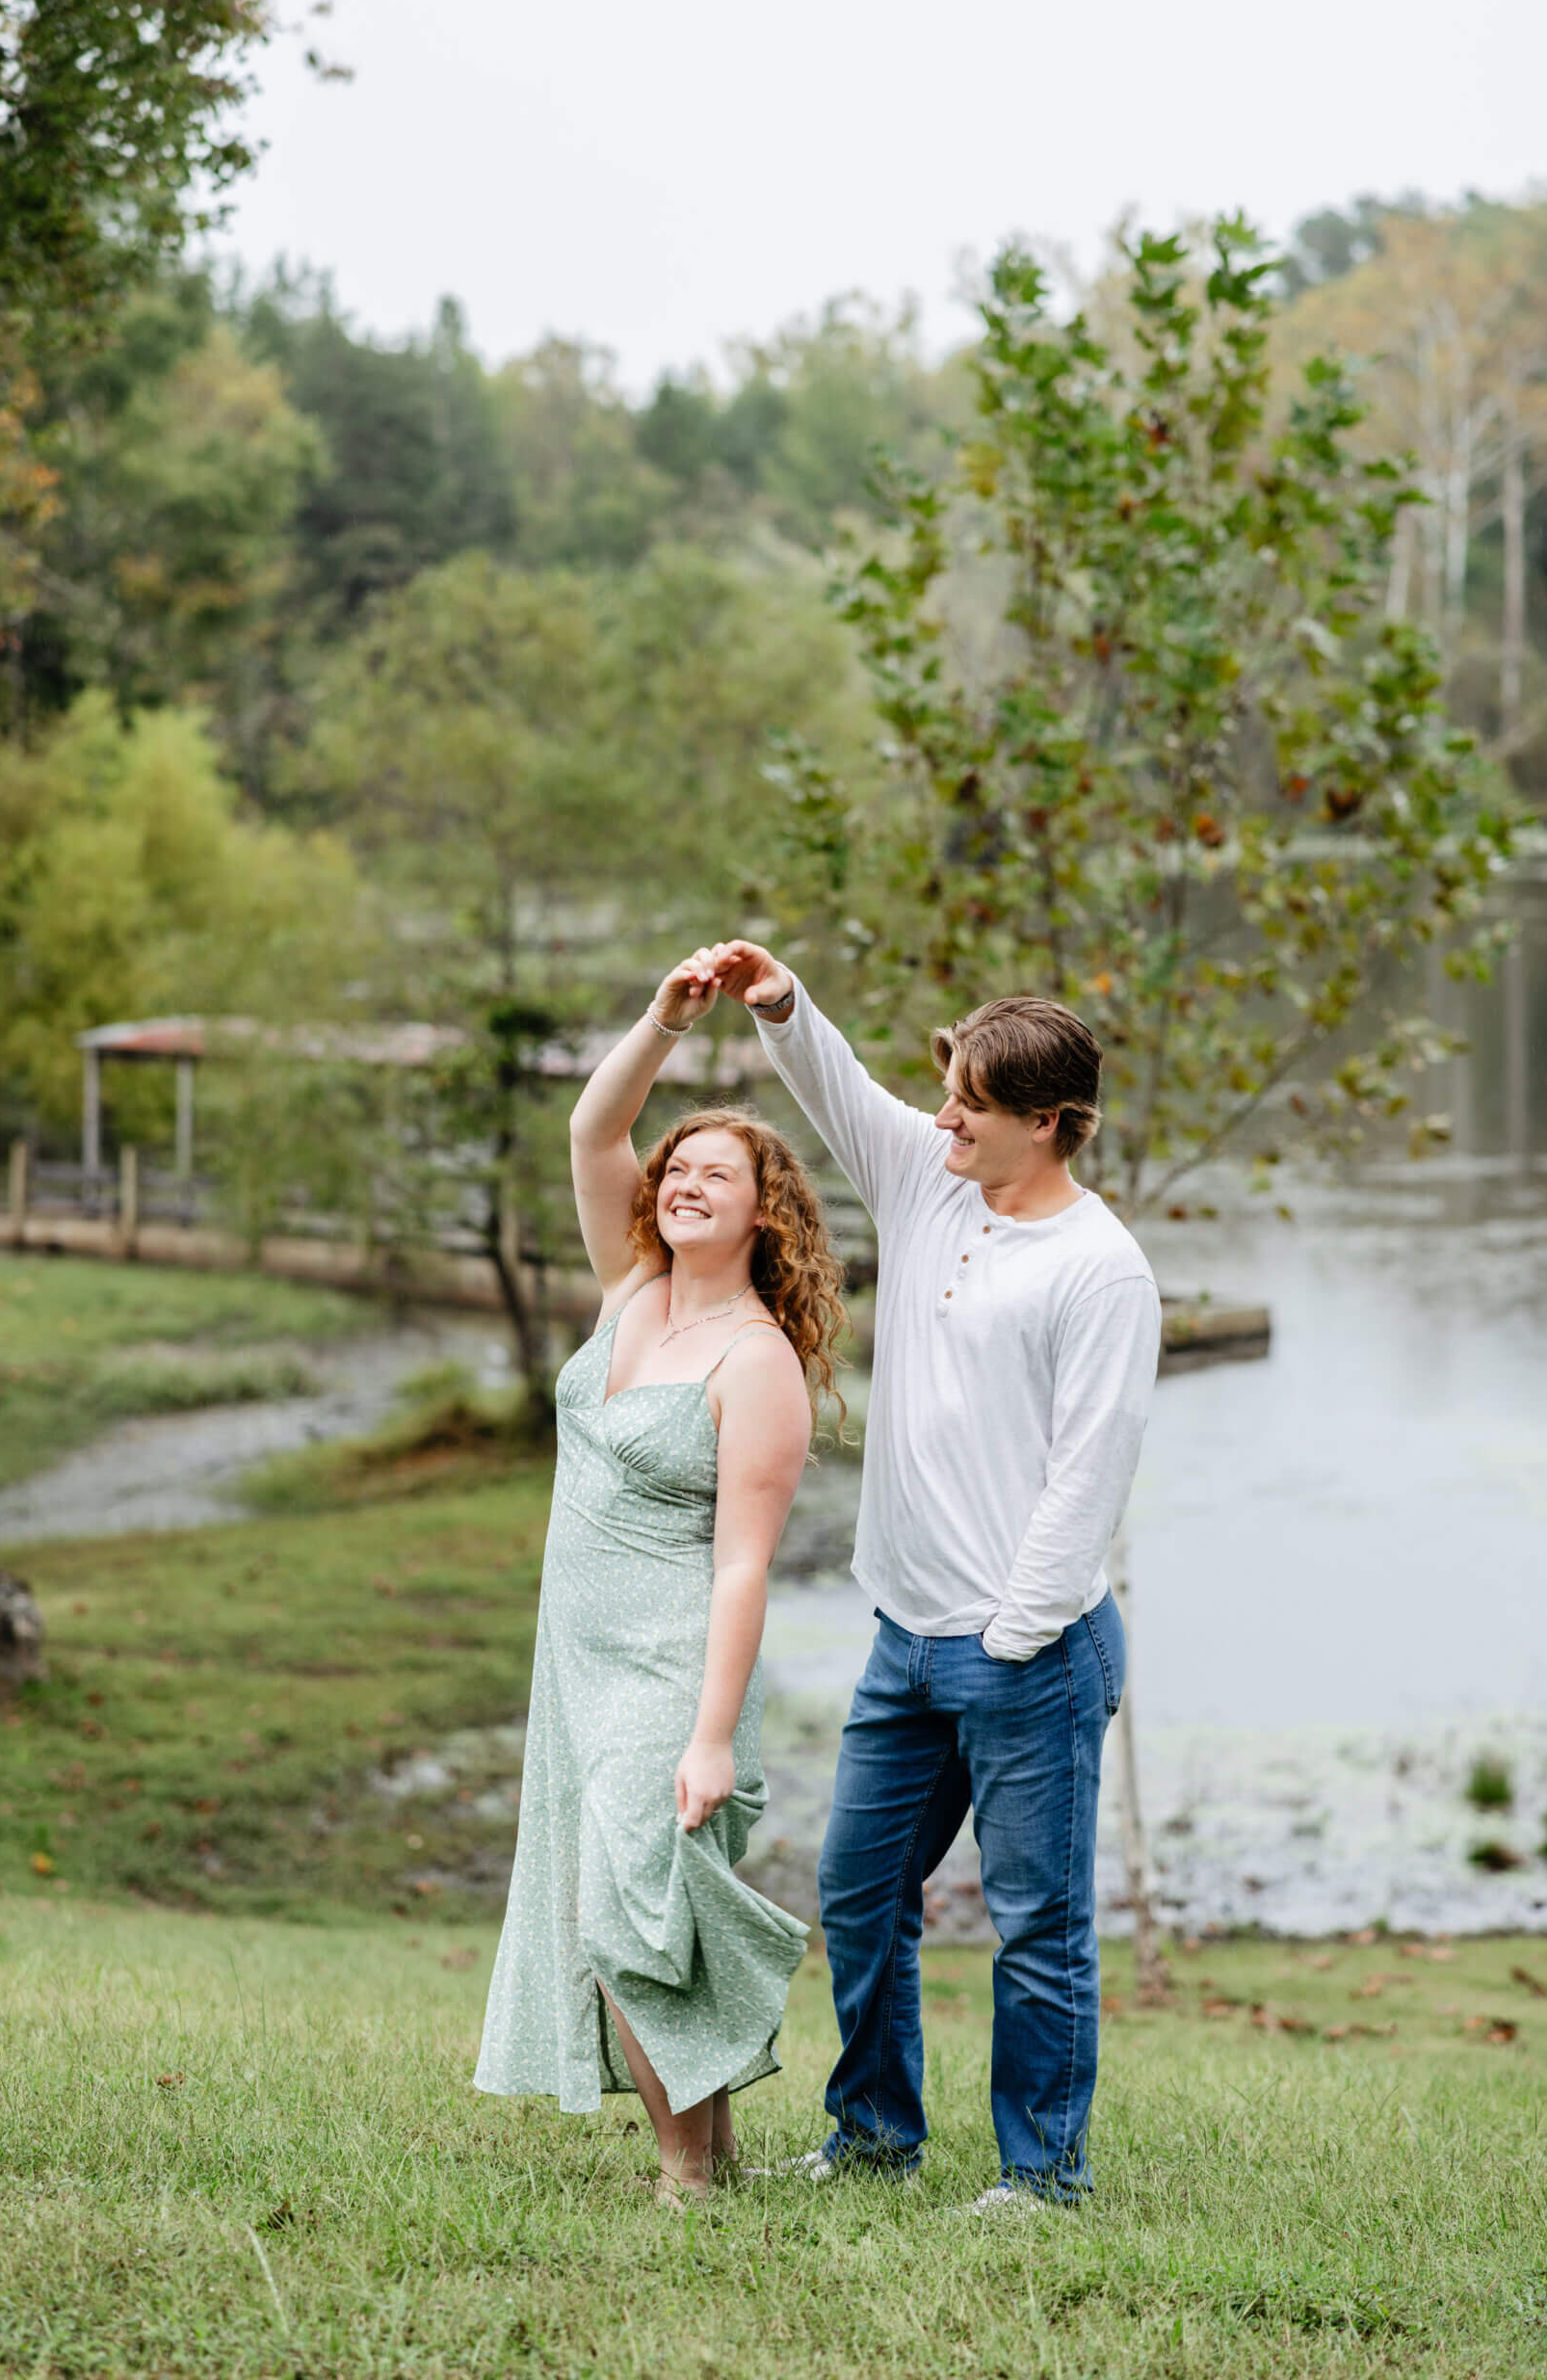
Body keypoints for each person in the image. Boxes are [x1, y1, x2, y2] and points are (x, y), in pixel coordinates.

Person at [703, 938, 1162, 2213]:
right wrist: (780, 999)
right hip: (905, 1638)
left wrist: (1011, 1639)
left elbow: (1091, 1476)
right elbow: (838, 1087)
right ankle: (874, 2135)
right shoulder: (930, 1182)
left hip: (1031, 1650)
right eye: (948, 1089)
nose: (944, 1115)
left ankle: (1042, 2178)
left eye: (972, 1103)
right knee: (859, 1893)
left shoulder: (1102, 1271)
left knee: (1036, 1929)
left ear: (1052, 1125)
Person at [474, 955, 846, 2203]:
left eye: (715, 1176)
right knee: (626, 1907)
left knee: (628, 1915)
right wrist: (665, 1020)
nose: (682, 1184)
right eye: (676, 1169)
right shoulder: (631, 1291)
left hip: (664, 1661)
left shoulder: (757, 1363)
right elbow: (593, 1129)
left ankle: (687, 2180)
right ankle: (717, 2163)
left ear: (764, 1213)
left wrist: (712, 1736)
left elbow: (744, 1564)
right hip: (574, 1661)